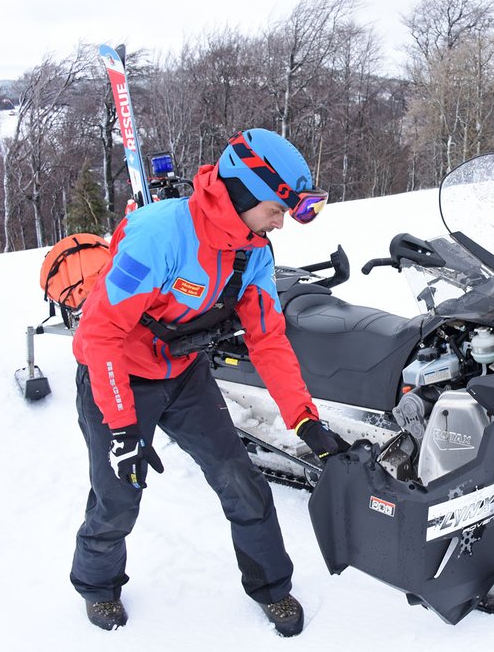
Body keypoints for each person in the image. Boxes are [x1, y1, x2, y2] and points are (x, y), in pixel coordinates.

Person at [70, 128, 346, 636]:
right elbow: (99, 334)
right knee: (118, 495)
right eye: (275, 210)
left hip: (183, 375)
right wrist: (124, 427)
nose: (280, 225)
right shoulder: (159, 236)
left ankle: (271, 587)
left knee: (241, 481)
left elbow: (268, 339)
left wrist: (304, 420)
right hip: (118, 377)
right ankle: (97, 585)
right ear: (241, 192)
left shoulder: (252, 251)